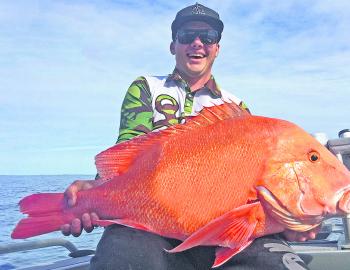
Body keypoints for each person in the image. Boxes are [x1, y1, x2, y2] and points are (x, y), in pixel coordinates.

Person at [61, 3, 319, 269]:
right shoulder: (146, 87)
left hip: (224, 229)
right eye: (186, 36)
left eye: (207, 37)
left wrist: (294, 220)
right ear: (173, 45)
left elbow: (256, 179)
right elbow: (128, 151)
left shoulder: (237, 107)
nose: (197, 43)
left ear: (217, 48)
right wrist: (96, 191)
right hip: (152, 224)